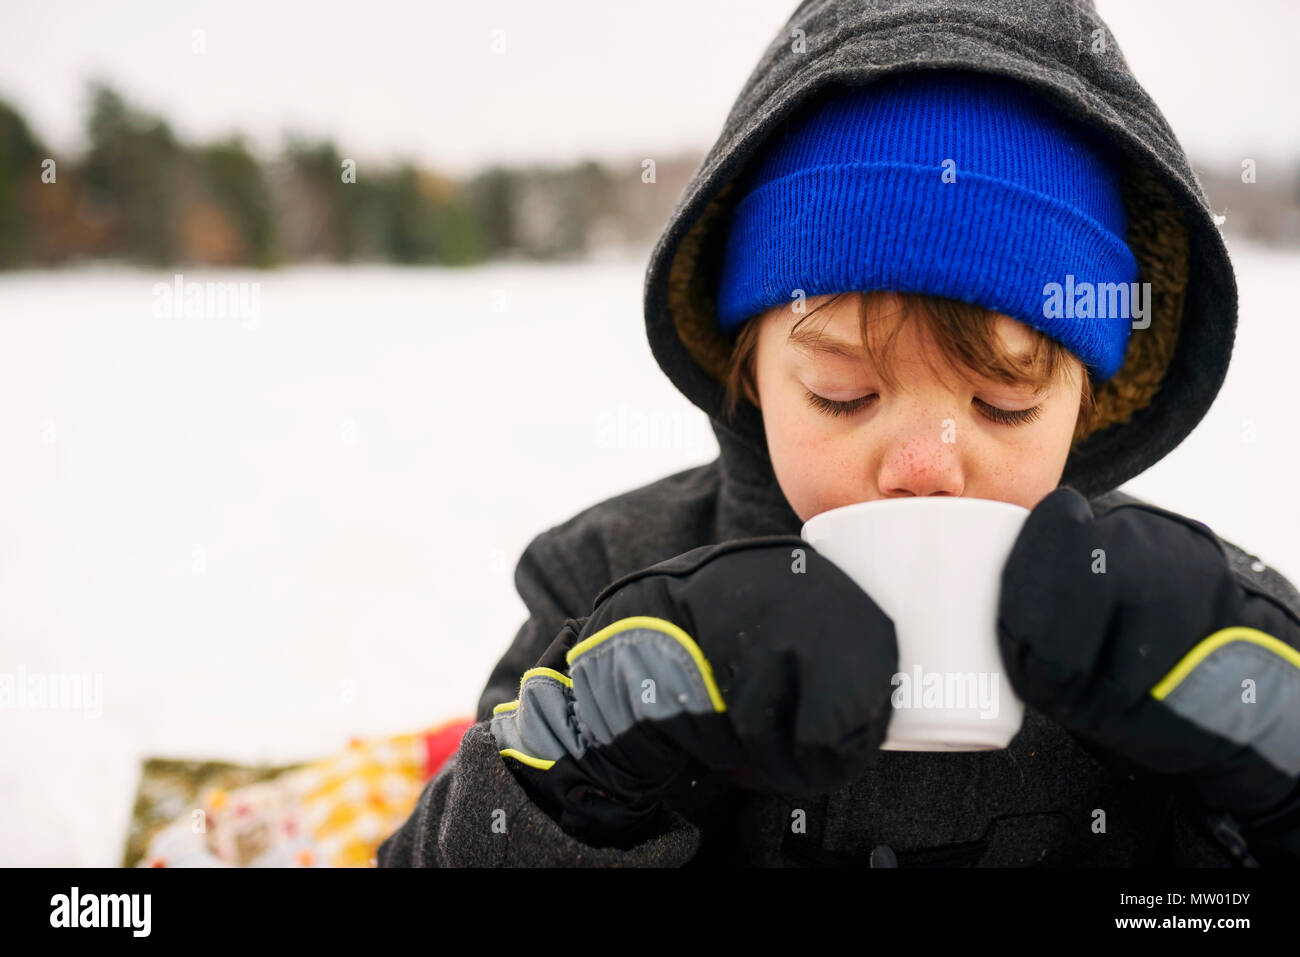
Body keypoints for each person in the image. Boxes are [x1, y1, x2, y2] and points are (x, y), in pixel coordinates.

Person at [378, 0, 1300, 867]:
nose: (926, 466)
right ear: (749, 367)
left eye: (1003, 404)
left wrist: (1274, 752)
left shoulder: (1177, 629)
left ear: (1091, 402)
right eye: (844, 393)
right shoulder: (605, 575)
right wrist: (594, 751)